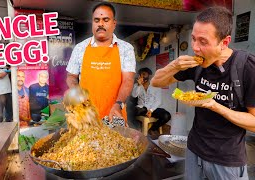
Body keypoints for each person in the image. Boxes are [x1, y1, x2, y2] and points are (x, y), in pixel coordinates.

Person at [150, 6, 255, 179]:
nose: (195, 48)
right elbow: (156, 81)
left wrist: (216, 106)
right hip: (194, 151)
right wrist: (174, 65)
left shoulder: (247, 67)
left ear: (224, 42)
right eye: (193, 39)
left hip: (227, 161)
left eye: (203, 41)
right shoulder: (197, 64)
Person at [66, 2, 136, 122]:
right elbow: (71, 77)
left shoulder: (125, 48)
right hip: (86, 115)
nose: (101, 24)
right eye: (96, 20)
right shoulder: (80, 48)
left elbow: (128, 80)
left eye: (106, 20)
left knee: (116, 140)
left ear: (114, 24)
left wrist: (118, 104)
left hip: (114, 114)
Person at [132, 67, 171, 134]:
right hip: (141, 109)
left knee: (166, 115)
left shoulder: (156, 85)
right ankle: (136, 130)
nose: (142, 76)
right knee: (133, 110)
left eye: (144, 74)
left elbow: (158, 101)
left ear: (149, 76)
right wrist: (138, 85)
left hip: (153, 109)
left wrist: (151, 110)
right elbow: (134, 95)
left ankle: (152, 129)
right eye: (140, 75)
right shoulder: (136, 85)